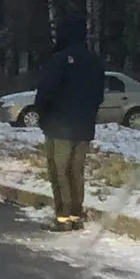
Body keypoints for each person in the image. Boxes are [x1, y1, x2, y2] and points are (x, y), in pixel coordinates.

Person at [33, 13, 104, 231]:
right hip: (84, 126)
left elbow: (46, 90)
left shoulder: (59, 59)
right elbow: (99, 95)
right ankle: (76, 215)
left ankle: (62, 216)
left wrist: (41, 113)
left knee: (59, 170)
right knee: (76, 171)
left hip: (58, 124)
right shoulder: (94, 60)